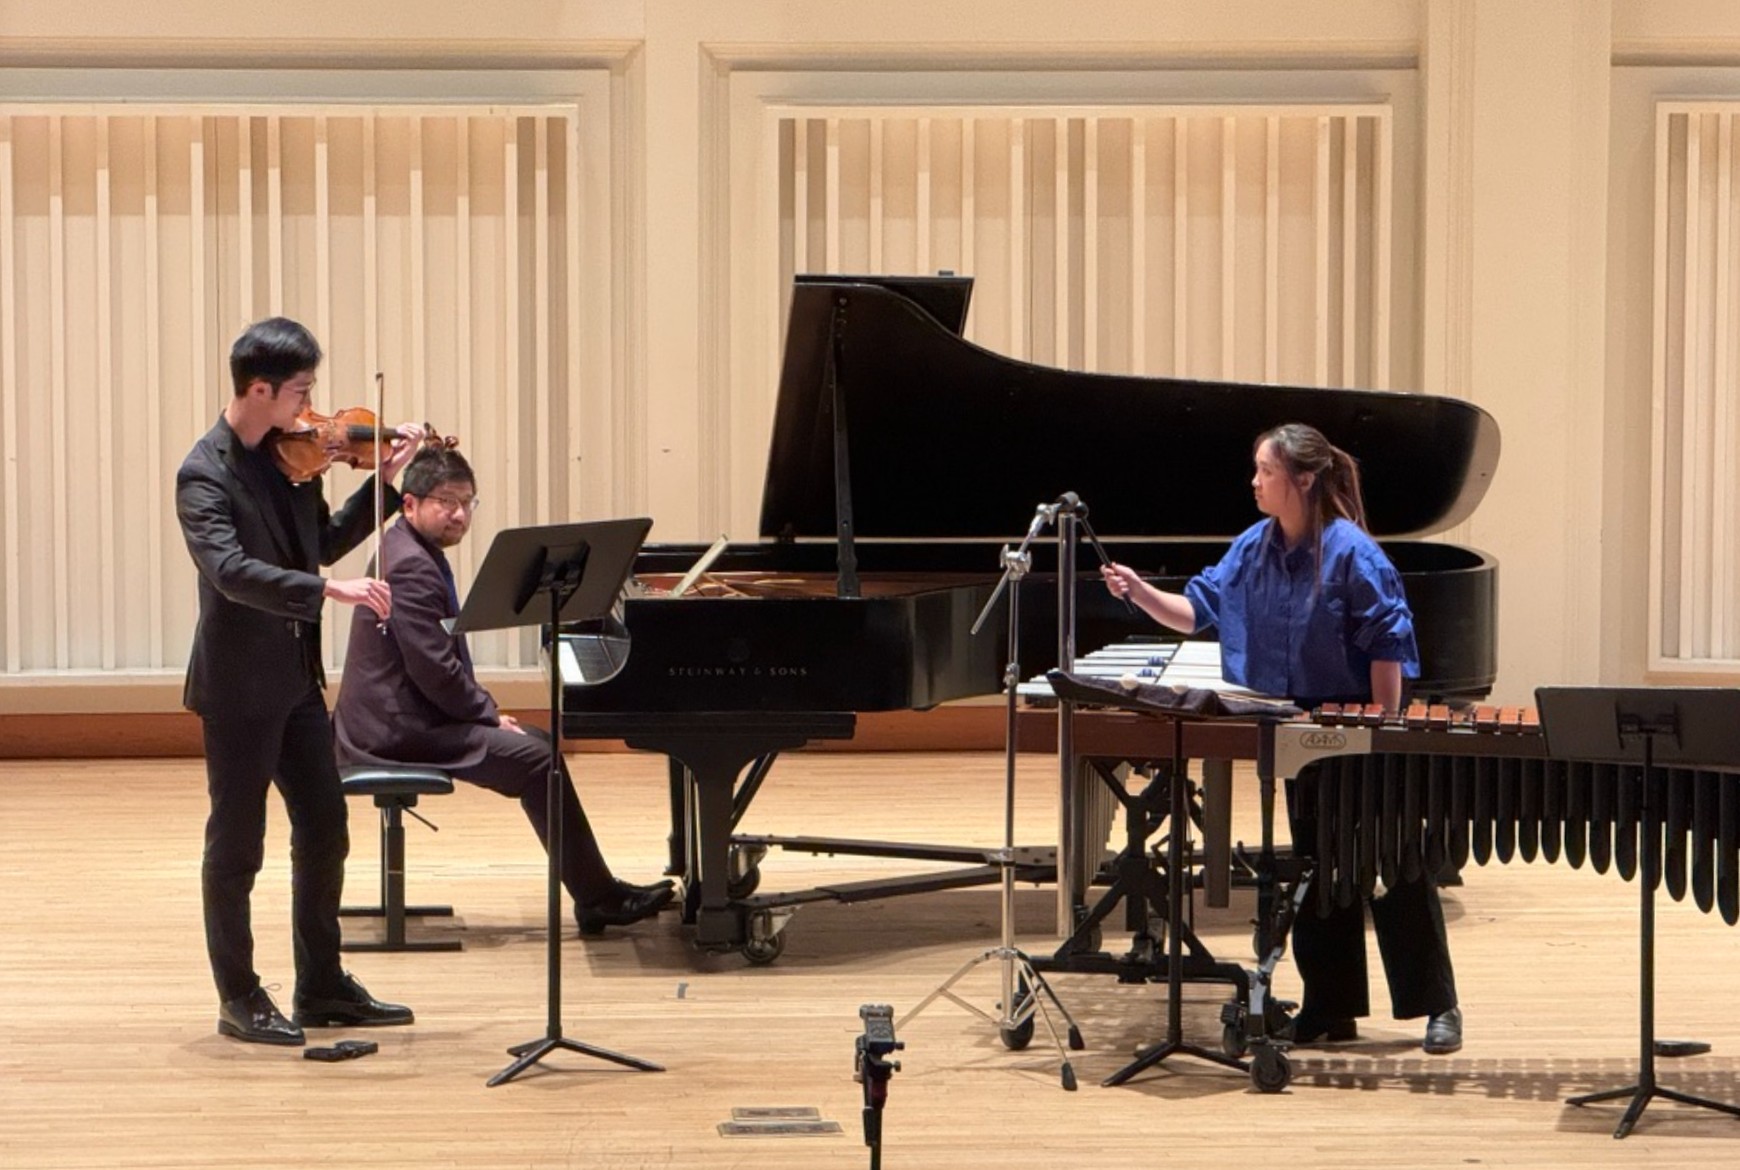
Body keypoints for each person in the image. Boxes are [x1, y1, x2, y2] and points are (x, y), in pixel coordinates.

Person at [1100, 421, 1463, 1056]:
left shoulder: (1353, 552)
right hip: (1297, 731)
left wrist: (1380, 726)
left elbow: (1388, 643)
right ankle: (1331, 1007)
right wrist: (1140, 593)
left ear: (1301, 479)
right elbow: (1198, 609)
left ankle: (1438, 1004)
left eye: (1265, 470)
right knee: (1317, 867)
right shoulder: (1253, 547)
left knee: (1393, 864)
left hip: (1357, 723)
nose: (1255, 481)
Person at [177, 316, 421, 1046]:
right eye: (301, 393)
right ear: (260, 390)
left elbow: (320, 542)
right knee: (238, 845)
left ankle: (320, 986)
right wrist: (327, 593)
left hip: (294, 679)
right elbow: (229, 573)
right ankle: (240, 997)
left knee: (325, 829)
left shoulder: (293, 460)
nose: (313, 410)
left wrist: (383, 483)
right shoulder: (204, 473)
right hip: (238, 688)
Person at [332, 446, 674, 936]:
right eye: (445, 501)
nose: (459, 514)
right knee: (537, 760)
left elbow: (438, 664)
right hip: (393, 731)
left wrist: (486, 714)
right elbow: (433, 668)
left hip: (402, 717)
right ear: (409, 504)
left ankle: (597, 891)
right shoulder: (409, 564)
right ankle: (598, 897)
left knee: (537, 745)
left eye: (468, 502)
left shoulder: (409, 547)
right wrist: (486, 715)